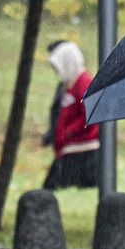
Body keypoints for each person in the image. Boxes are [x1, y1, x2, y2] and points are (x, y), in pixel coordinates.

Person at [42, 40, 99, 190]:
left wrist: (69, 131)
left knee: (50, 186)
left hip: (81, 148)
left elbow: (90, 113)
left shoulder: (83, 82)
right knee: (50, 186)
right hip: (71, 145)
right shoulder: (70, 83)